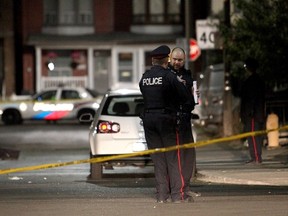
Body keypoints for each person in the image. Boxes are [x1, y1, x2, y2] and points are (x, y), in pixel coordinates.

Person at [139, 45, 194, 203]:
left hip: (149, 121)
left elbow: (144, 94)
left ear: (153, 60)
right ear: (166, 60)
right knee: (173, 158)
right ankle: (178, 195)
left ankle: (162, 195)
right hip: (167, 121)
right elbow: (186, 98)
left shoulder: (145, 77)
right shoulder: (169, 76)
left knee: (158, 159)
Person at [169, 47, 197, 194]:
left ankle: (185, 186)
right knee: (175, 155)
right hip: (172, 119)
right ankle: (175, 188)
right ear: (170, 58)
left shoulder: (187, 75)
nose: (177, 62)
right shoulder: (166, 74)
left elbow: (191, 99)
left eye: (180, 60)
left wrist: (194, 95)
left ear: (184, 60)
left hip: (185, 118)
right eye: (175, 59)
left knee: (188, 154)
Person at [240, 57, 265, 164]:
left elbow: (252, 98)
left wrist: (250, 112)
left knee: (253, 136)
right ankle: (255, 156)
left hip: (253, 114)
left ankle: (256, 157)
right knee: (254, 136)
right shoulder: (257, 80)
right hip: (255, 113)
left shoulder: (252, 81)